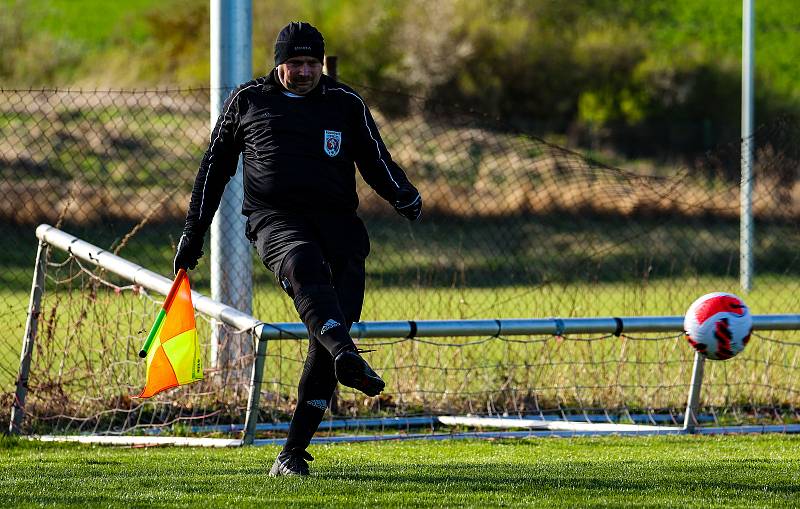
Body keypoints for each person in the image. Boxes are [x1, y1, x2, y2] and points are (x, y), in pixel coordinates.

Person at [173, 21, 422, 476]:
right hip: (276, 221)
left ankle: (292, 454)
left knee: (328, 337)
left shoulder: (344, 104)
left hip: (339, 226)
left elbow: (375, 158)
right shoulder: (249, 102)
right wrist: (193, 235)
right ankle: (347, 356)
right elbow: (213, 170)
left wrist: (403, 194)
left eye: (312, 63)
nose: (305, 71)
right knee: (307, 270)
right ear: (278, 63)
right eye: (296, 63)